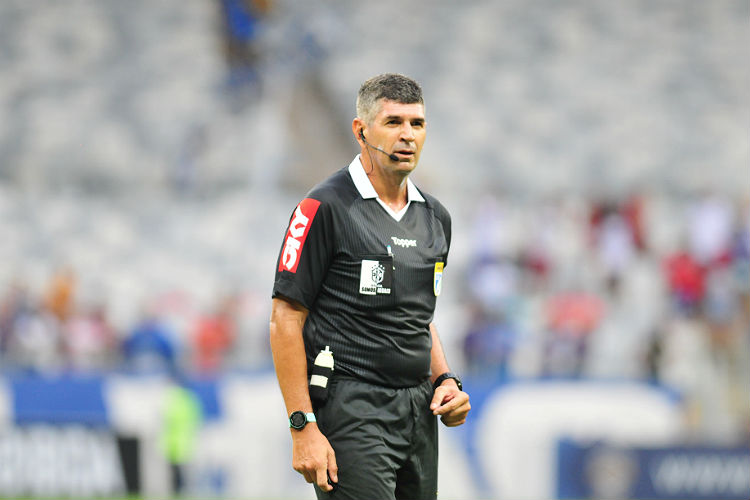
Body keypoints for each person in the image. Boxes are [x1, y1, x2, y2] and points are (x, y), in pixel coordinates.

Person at [269, 73, 470, 500]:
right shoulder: (322, 208)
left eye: (417, 124)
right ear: (361, 130)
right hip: (351, 408)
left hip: (417, 414)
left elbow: (419, 320)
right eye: (393, 122)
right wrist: (302, 425)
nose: (407, 136)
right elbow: (285, 318)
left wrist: (445, 381)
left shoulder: (436, 218)